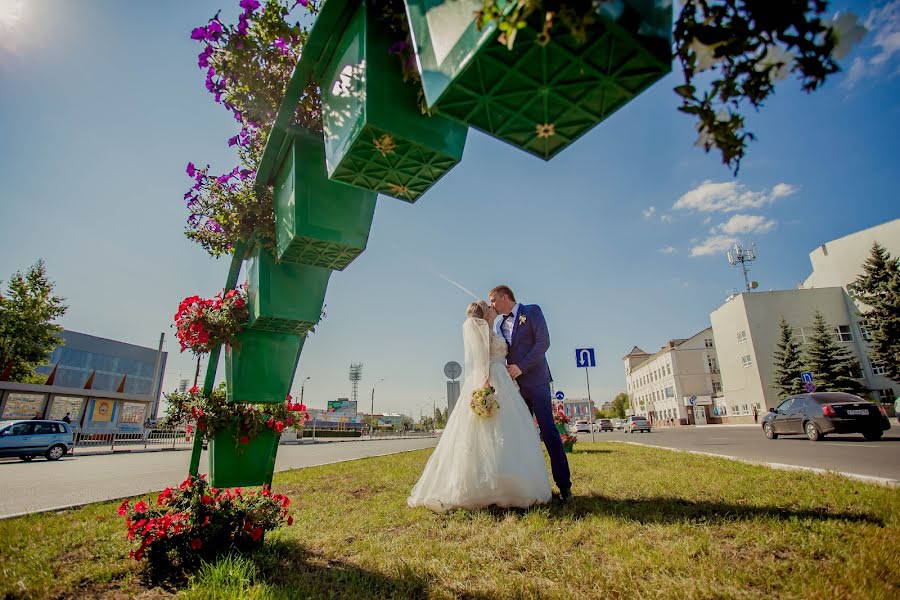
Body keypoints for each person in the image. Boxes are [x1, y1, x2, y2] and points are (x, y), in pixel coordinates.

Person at [407, 300, 552, 511]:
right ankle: (487, 486)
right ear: (485, 314)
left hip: (506, 381)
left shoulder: (496, 328)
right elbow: (481, 360)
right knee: (489, 431)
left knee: (507, 432)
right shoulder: (482, 332)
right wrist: (485, 388)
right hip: (493, 380)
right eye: (490, 306)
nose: (494, 307)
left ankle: (506, 480)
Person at [489, 285, 572, 502]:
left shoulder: (532, 311)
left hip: (537, 382)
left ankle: (564, 486)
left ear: (505, 297)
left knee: (548, 431)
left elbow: (543, 342)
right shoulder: (498, 323)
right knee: (520, 434)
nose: (492, 305)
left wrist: (521, 367)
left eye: (494, 300)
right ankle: (527, 487)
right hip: (514, 388)